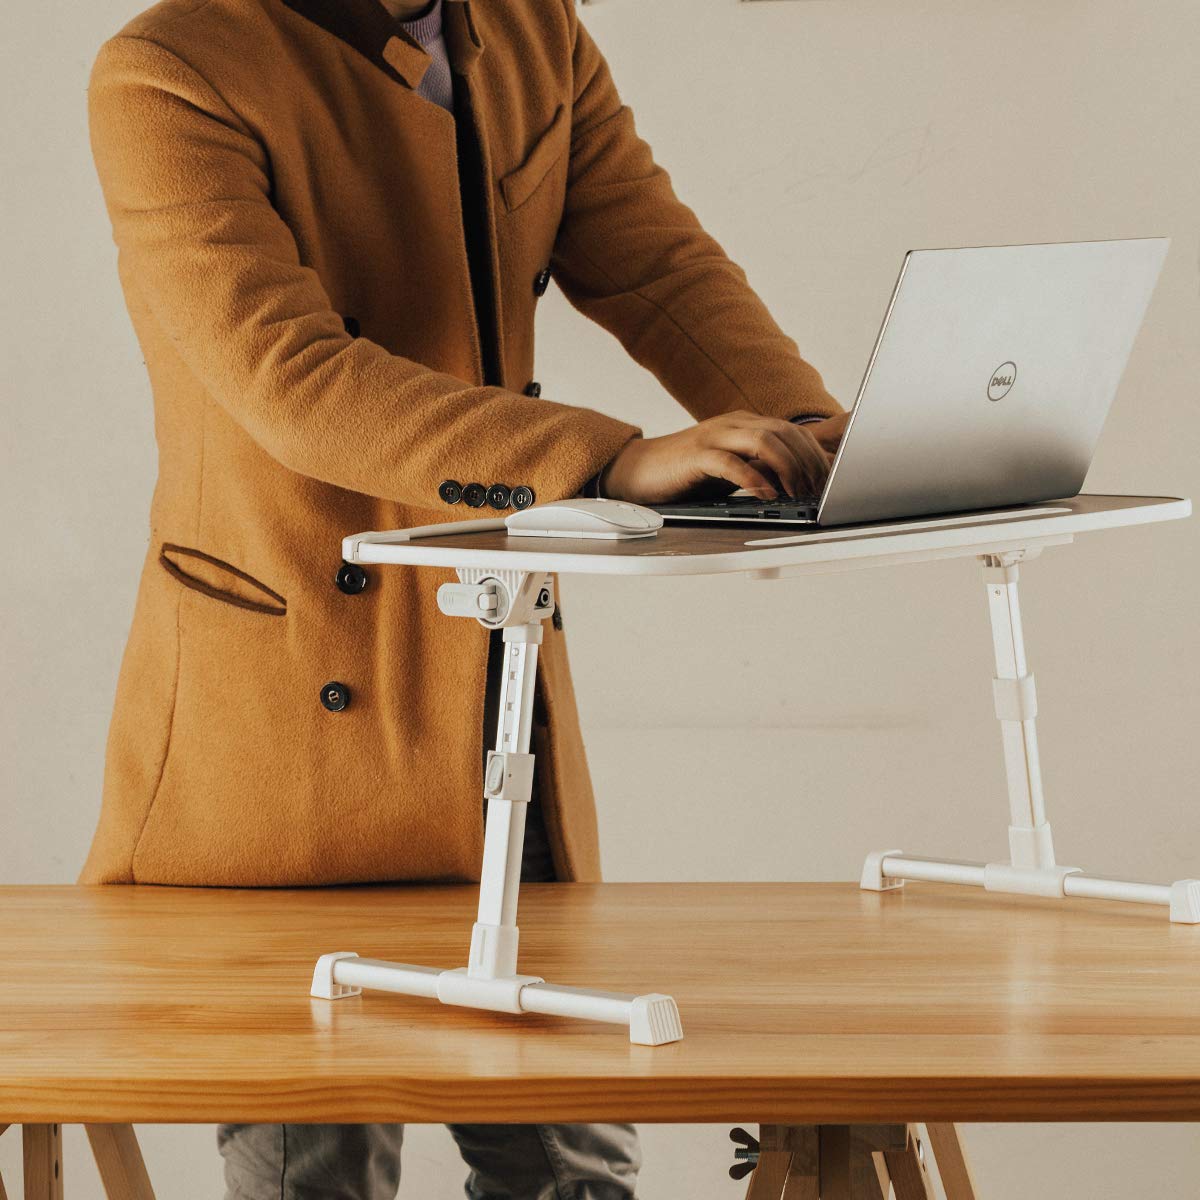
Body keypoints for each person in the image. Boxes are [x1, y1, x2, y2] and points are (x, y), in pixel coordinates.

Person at [81, 0, 848, 1195]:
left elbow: (659, 266)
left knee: (570, 1163)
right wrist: (606, 460)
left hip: (493, 680)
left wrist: (819, 438)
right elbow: (289, 379)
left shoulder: (531, 26)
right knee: (311, 1168)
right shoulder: (170, 67)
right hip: (286, 703)